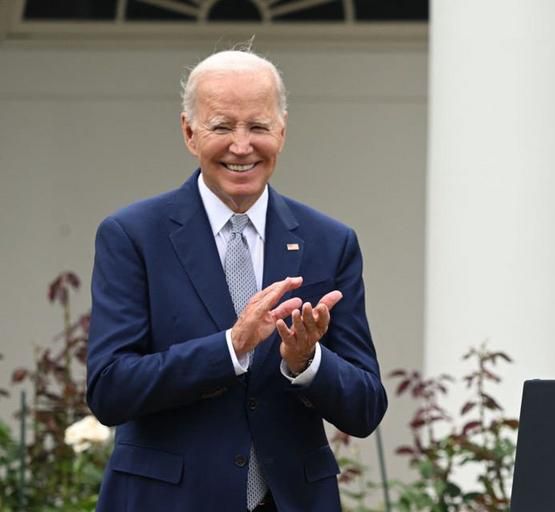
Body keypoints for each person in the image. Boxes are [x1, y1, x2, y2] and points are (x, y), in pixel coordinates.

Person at [86, 48, 387, 511]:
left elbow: (366, 407)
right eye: (222, 126)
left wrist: (306, 361)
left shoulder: (329, 241)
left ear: (282, 131)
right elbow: (109, 389)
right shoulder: (133, 236)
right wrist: (231, 347)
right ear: (189, 132)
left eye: (259, 127)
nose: (242, 146)